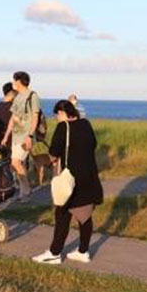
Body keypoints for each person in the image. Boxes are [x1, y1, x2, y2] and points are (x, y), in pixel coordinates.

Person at [32, 100, 103, 264]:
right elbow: (93, 145)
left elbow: (53, 153)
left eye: (57, 114)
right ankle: (83, 252)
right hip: (89, 177)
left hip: (70, 178)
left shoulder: (63, 127)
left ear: (62, 113)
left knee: (62, 214)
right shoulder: (86, 124)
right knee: (85, 216)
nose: (57, 118)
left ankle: (54, 253)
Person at [1, 71, 41, 202]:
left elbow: (35, 117)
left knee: (16, 162)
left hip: (25, 135)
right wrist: (6, 136)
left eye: (14, 80)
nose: (13, 83)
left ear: (19, 81)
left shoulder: (32, 96)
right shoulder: (17, 97)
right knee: (16, 164)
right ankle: (25, 190)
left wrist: (30, 135)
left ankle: (26, 191)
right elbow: (13, 118)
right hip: (16, 135)